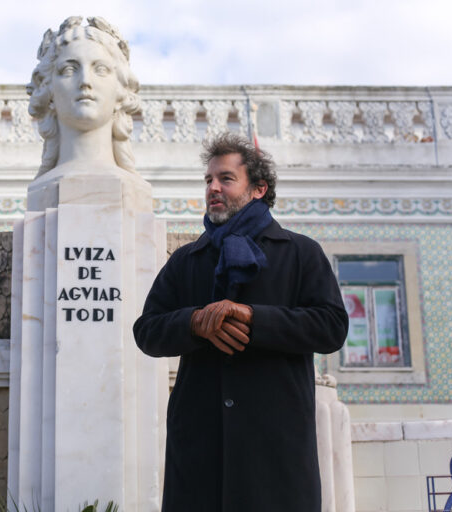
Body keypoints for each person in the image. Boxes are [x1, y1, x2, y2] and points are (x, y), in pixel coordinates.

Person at [133, 134, 348, 511]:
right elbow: (147, 330)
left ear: (258, 189)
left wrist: (253, 317)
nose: (213, 188)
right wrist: (195, 322)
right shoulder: (188, 260)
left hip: (276, 451)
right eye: (208, 180)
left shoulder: (300, 253)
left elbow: (331, 326)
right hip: (200, 451)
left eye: (226, 179)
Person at [27, 16, 140, 176]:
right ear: (48, 90)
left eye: (100, 69)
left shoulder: (132, 187)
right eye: (69, 70)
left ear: (120, 91)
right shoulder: (43, 188)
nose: (85, 81)